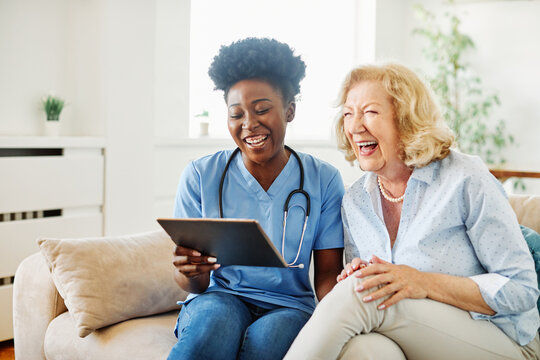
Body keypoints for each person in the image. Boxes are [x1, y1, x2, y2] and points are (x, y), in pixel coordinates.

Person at [285, 63, 540, 360]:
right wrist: (359, 273)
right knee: (363, 349)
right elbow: (379, 296)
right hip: (415, 338)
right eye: (348, 114)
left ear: (406, 120)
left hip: (502, 339)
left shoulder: (464, 178)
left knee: (362, 293)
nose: (354, 127)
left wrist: (422, 282)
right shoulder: (355, 200)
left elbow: (520, 289)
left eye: (369, 112)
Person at [167, 38, 345, 360]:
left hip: (290, 306)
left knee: (268, 341)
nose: (249, 124)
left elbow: (327, 276)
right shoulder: (200, 176)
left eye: (262, 109)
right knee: (213, 324)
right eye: (236, 114)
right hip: (221, 297)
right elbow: (194, 284)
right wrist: (188, 272)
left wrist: (346, 316)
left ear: (289, 110)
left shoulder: (324, 180)